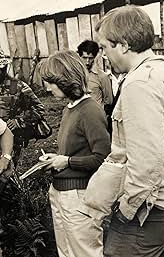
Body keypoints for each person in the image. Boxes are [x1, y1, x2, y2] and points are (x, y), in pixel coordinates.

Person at [94, 5, 164, 257]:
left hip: (148, 212)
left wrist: (127, 208)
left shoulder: (139, 83)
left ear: (123, 45)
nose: (103, 55)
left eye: (104, 47)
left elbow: (148, 158)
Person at [40, 50, 111, 257]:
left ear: (66, 79)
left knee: (84, 252)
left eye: (51, 82)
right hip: (60, 192)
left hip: (80, 197)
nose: (47, 87)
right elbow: (74, 151)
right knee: (66, 252)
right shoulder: (69, 109)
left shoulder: (90, 110)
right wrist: (57, 159)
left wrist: (68, 162)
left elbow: (104, 157)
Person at [0, 50, 50, 167]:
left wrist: (18, 121)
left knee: (6, 172)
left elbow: (39, 109)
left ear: (4, 67)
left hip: (11, 139)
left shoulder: (18, 86)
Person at [77, 39, 113, 107]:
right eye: (84, 58)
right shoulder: (75, 75)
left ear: (95, 57)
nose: (87, 62)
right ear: (79, 57)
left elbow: (109, 101)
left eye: (90, 58)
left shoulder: (102, 76)